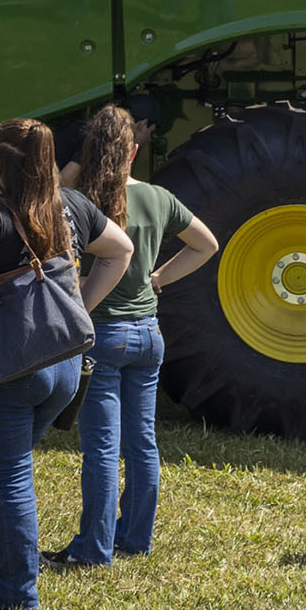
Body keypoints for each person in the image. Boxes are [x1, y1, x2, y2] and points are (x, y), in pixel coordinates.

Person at [0, 118, 135, 610]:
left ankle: (15, 594)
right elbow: (121, 250)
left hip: (8, 368)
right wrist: (79, 308)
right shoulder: (71, 206)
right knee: (12, 467)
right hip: (64, 368)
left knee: (9, 477)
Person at [48, 104, 217, 568]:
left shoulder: (79, 197)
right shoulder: (160, 198)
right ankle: (135, 539)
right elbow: (207, 245)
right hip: (149, 334)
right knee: (142, 443)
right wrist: (159, 278)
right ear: (135, 151)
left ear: (89, 151)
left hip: (101, 336)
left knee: (101, 449)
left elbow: (48, 203)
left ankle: (92, 549)